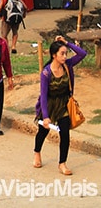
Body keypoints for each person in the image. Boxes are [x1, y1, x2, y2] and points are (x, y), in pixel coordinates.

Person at [33, 36, 87, 175]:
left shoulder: (67, 65)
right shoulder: (46, 73)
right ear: (54, 55)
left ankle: (62, 163)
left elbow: (82, 54)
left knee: (65, 134)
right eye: (62, 53)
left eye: (66, 53)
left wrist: (67, 43)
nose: (64, 56)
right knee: (42, 132)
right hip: (49, 104)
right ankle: (37, 152)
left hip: (64, 104)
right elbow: (43, 96)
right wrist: (45, 117)